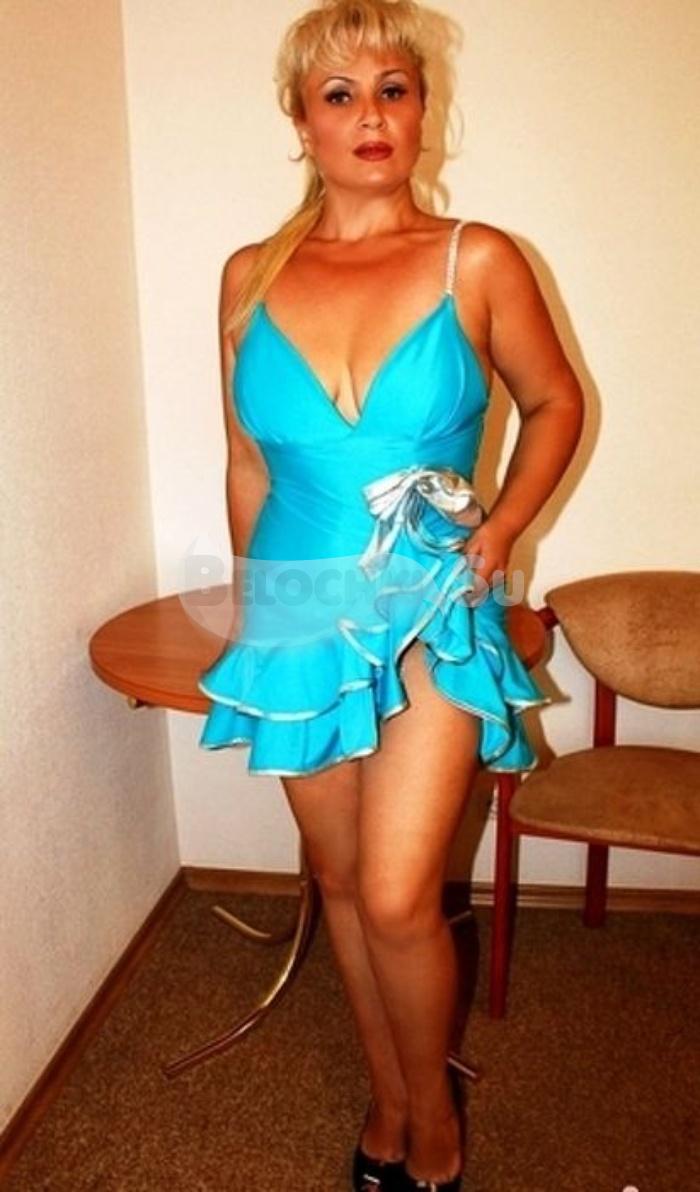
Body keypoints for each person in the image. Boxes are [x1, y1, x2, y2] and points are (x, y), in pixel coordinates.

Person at [198, 1, 584, 1188]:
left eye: (393, 89)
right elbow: (247, 463)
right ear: (301, 122)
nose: (370, 114)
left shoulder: (480, 258)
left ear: (422, 111)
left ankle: (439, 1127)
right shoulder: (247, 277)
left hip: (428, 604)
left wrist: (503, 529)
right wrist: (256, 609)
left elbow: (556, 402)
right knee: (340, 884)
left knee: (401, 891)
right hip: (294, 610)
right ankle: (390, 1097)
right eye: (339, 94)